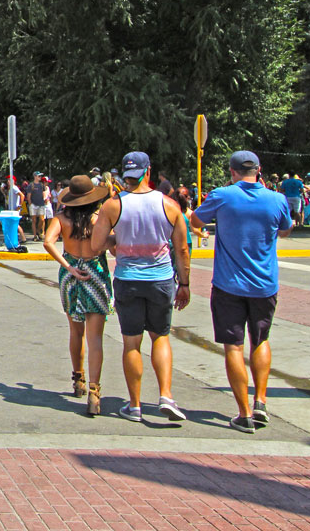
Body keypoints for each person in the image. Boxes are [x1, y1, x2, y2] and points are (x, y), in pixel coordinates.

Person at [191, 150, 292, 433]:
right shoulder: (277, 199)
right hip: (265, 284)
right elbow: (285, 230)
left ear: (232, 171)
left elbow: (196, 222)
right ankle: (260, 401)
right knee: (260, 340)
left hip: (228, 284)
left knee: (233, 346)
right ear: (258, 170)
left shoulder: (222, 196)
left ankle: (244, 413)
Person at [91, 151, 191, 423]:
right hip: (161, 279)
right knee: (160, 336)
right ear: (149, 172)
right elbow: (181, 249)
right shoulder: (170, 205)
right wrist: (184, 283)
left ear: (126, 174)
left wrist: (116, 240)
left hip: (128, 280)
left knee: (132, 342)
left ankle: (134, 405)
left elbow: (96, 245)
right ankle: (166, 396)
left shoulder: (113, 206)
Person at [42, 175, 113, 416]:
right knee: (96, 338)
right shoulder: (99, 219)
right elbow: (111, 246)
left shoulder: (61, 219)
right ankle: (94, 391)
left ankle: (78, 379)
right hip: (96, 273)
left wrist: (69, 265)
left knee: (75, 331)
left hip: (70, 275)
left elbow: (47, 242)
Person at [28, 172, 50, 241]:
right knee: (34, 220)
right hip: (33, 204)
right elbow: (28, 196)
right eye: (39, 176)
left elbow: (44, 194)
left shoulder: (41, 185)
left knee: (42, 219)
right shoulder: (31, 185)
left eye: (40, 176)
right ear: (35, 176)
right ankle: (35, 236)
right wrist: (30, 204)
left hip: (41, 204)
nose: (40, 177)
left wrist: (45, 200)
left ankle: (38, 230)